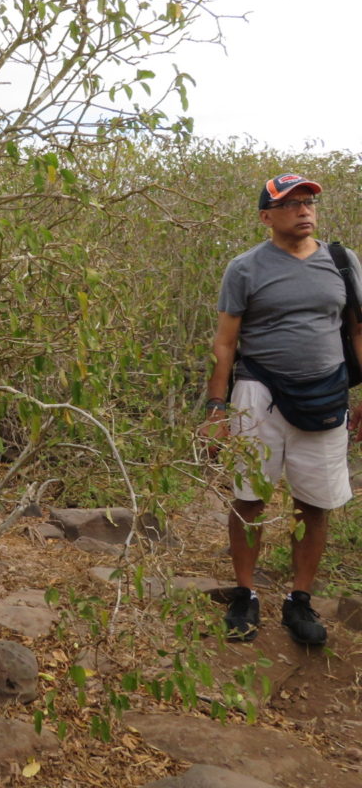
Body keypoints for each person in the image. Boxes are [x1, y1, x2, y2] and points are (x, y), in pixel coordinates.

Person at [200, 173, 362, 647]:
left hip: (326, 395)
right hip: (258, 392)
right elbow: (225, 343)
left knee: (314, 501)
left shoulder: (342, 262)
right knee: (250, 495)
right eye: (291, 204)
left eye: (309, 201)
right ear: (266, 217)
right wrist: (215, 408)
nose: (304, 210)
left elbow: (356, 331)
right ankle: (245, 594)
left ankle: (300, 600)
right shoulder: (245, 268)